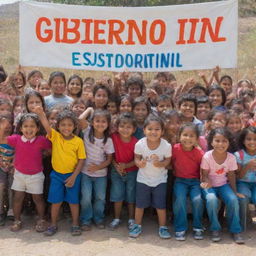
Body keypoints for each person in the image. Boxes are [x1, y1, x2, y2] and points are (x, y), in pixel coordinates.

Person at [34, 106, 86, 236]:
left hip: (72, 176)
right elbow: (46, 126)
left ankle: (75, 224)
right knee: (55, 201)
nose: (66, 127)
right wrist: (41, 114)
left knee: (73, 201)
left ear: (75, 126)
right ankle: (53, 224)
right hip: (57, 175)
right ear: (58, 126)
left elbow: (81, 160)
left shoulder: (78, 141)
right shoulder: (55, 137)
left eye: (69, 125)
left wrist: (74, 176)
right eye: (63, 125)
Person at [6, 113, 51, 232]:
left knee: (38, 199)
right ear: (20, 128)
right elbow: (4, 139)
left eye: (32, 126)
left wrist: (47, 153)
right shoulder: (16, 139)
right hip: (19, 175)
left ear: (37, 128)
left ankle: (41, 219)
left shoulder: (41, 140)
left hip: (36, 175)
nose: (29, 129)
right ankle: (17, 220)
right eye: (25, 126)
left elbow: (51, 144)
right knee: (18, 198)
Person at [129, 114, 172, 239]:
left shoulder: (166, 145)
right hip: (143, 179)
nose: (153, 132)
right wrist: (139, 163)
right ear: (144, 130)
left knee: (160, 205)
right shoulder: (140, 144)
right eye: (150, 129)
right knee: (140, 204)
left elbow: (168, 161)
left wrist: (161, 164)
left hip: (160, 180)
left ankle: (163, 227)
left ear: (162, 131)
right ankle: (137, 225)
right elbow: (136, 158)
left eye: (157, 129)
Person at [200, 127, 245, 244]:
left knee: (233, 200)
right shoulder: (207, 156)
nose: (221, 144)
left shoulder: (231, 158)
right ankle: (215, 228)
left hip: (223, 185)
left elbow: (231, 176)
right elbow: (204, 175)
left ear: (229, 142)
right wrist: (207, 181)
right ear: (211, 142)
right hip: (210, 185)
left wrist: (234, 192)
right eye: (217, 140)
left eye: (224, 141)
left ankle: (235, 229)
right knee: (211, 199)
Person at [79, 109, 114, 230]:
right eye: (97, 121)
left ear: (108, 124)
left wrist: (97, 167)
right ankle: (86, 220)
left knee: (100, 198)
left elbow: (109, 160)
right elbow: (80, 119)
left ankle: (99, 218)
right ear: (92, 122)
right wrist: (89, 109)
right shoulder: (87, 131)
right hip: (85, 173)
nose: (100, 123)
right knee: (86, 197)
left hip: (101, 175)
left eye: (103, 121)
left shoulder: (108, 140)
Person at [172, 123, 204, 241]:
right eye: (185, 135)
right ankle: (180, 227)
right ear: (179, 136)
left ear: (196, 139)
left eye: (191, 136)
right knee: (180, 199)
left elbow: (203, 168)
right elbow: (172, 162)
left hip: (195, 181)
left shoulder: (199, 153)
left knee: (197, 200)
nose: (188, 138)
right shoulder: (175, 149)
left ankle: (198, 226)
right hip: (180, 180)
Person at [108, 112, 138, 230]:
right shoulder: (113, 137)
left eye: (128, 127)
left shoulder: (136, 142)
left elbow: (137, 160)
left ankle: (131, 218)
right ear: (117, 127)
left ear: (134, 129)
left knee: (131, 195)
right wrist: (117, 166)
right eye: (122, 126)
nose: (125, 129)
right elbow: (110, 155)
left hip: (132, 171)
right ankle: (117, 218)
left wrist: (125, 166)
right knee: (117, 195)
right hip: (116, 171)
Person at [235, 127, 256, 231]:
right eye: (249, 139)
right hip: (242, 183)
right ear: (243, 141)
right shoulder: (239, 155)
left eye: (255, 139)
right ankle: (242, 225)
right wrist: (247, 166)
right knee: (243, 199)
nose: (252, 142)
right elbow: (238, 176)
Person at [0, 114, 14, 225]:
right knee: (0, 187)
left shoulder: (14, 138)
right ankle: (1, 211)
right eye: (4, 124)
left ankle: (11, 210)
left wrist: (13, 164)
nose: (7, 126)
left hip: (12, 168)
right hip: (1, 168)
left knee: (11, 188)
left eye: (9, 124)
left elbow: (18, 152)